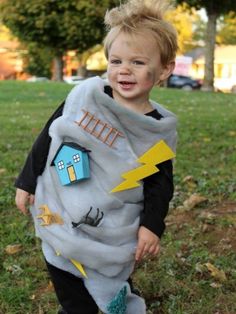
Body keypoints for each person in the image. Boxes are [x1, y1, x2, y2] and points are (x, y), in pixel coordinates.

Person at [15, 0, 178, 313]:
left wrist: (151, 225)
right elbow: (50, 136)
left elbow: (159, 183)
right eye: (116, 61)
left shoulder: (155, 131)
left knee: (109, 273)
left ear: (165, 69)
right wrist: (27, 181)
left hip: (113, 222)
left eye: (138, 63)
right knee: (67, 276)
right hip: (62, 207)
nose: (124, 70)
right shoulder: (84, 99)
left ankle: (111, 300)